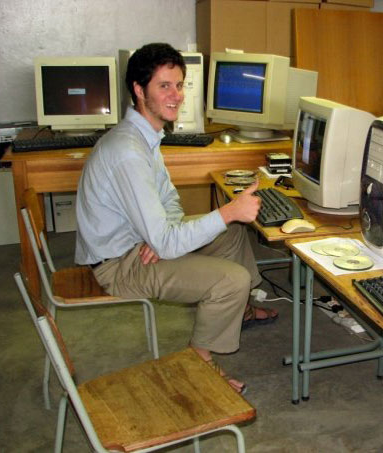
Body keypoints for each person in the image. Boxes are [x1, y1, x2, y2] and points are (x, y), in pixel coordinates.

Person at [74, 42, 277, 393]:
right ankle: (198, 363)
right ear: (139, 91)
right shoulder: (129, 151)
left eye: (180, 85)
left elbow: (168, 202)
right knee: (231, 278)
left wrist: (157, 237)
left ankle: (238, 312)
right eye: (164, 86)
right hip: (118, 266)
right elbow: (167, 239)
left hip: (136, 245)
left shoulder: (145, 136)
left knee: (231, 234)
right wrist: (226, 212)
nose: (177, 95)